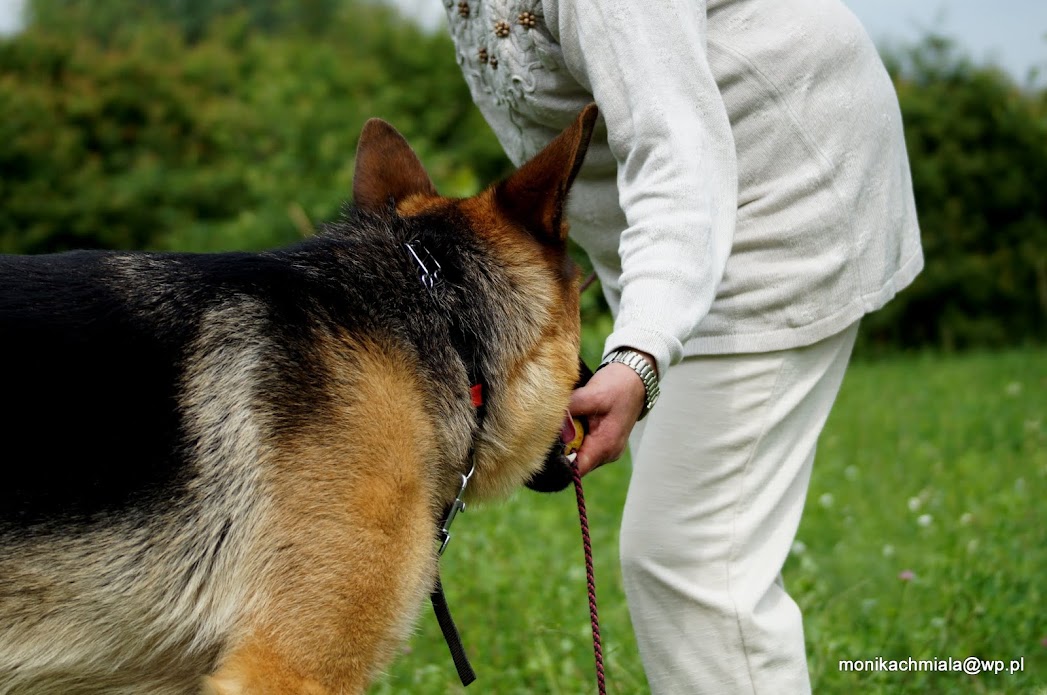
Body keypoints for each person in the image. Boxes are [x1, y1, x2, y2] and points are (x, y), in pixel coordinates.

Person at [442, 0, 923, 692]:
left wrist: (639, 352)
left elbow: (676, 153)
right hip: (669, 242)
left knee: (691, 560)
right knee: (695, 539)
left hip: (772, 202)